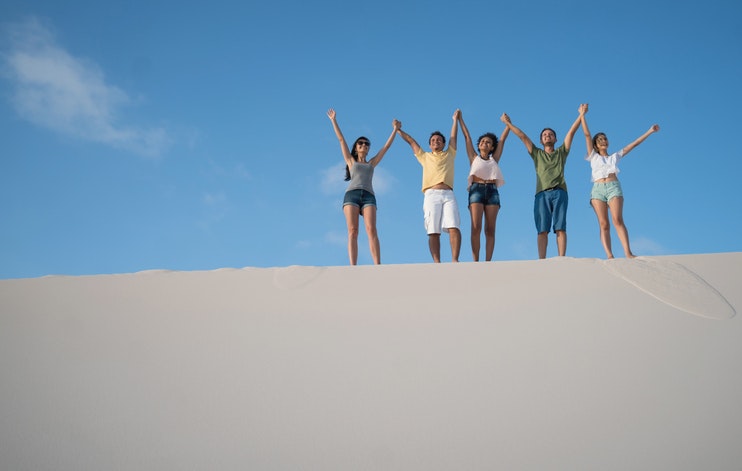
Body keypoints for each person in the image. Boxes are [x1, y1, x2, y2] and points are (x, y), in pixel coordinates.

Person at [502, 104, 586, 259]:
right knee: (542, 229)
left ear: (555, 139)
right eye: (544, 135)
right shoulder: (537, 153)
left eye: (550, 134)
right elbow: (523, 137)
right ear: (541, 140)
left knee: (560, 227)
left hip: (560, 192)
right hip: (541, 194)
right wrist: (508, 124)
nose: (547, 136)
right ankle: (542, 260)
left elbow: (572, 133)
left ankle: (561, 257)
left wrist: (581, 115)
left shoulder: (561, 152)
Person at [580, 108, 660, 258]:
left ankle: (628, 252)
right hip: (597, 190)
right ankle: (609, 255)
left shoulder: (615, 157)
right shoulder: (593, 156)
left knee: (617, 219)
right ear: (596, 145)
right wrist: (582, 115)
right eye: (600, 139)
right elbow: (586, 135)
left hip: (613, 187)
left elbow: (634, 144)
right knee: (604, 224)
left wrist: (650, 131)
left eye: (605, 138)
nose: (604, 140)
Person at [327, 108, 400, 265]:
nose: (364, 145)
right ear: (356, 147)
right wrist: (334, 120)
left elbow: (385, 148)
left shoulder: (372, 163)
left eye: (367, 144)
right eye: (361, 143)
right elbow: (341, 140)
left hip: (368, 196)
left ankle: (377, 265)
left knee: (371, 230)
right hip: (351, 195)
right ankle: (353, 266)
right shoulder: (351, 161)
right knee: (353, 231)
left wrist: (395, 130)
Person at [397, 110, 462, 263]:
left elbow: (453, 137)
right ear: (429, 144)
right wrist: (398, 130)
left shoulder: (450, 154)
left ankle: (454, 260)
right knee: (433, 230)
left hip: (448, 194)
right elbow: (411, 142)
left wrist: (455, 120)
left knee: (454, 225)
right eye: (433, 140)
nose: (436, 142)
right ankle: (437, 262)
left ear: (444, 143)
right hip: (431, 194)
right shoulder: (424, 156)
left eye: (439, 140)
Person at [458, 111, 510, 261]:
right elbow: (467, 137)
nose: (484, 143)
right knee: (476, 227)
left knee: (490, 229)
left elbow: (503, 139)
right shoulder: (473, 157)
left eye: (488, 142)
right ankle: (476, 260)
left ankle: (488, 261)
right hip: (476, 190)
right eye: (482, 141)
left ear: (492, 147)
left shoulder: (495, 158)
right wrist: (460, 119)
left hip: (492, 191)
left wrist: (507, 124)